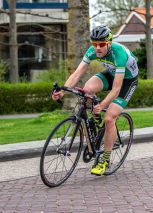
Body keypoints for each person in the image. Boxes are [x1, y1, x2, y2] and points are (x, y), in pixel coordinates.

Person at [52, 25, 138, 175]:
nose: (97, 48)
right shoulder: (92, 51)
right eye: (94, 44)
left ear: (109, 43)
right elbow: (77, 74)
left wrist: (103, 104)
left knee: (110, 118)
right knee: (87, 89)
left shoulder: (119, 54)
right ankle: (94, 120)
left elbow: (116, 89)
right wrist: (63, 91)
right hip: (112, 74)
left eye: (102, 44)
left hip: (127, 82)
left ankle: (105, 160)